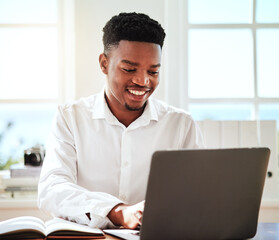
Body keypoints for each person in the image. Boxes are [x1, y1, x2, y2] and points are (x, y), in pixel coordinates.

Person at [37, 12, 203, 230]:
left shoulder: (182, 125)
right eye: (129, 69)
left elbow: (198, 195)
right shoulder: (70, 117)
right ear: (104, 64)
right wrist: (118, 211)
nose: (142, 81)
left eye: (153, 71)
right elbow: (52, 189)